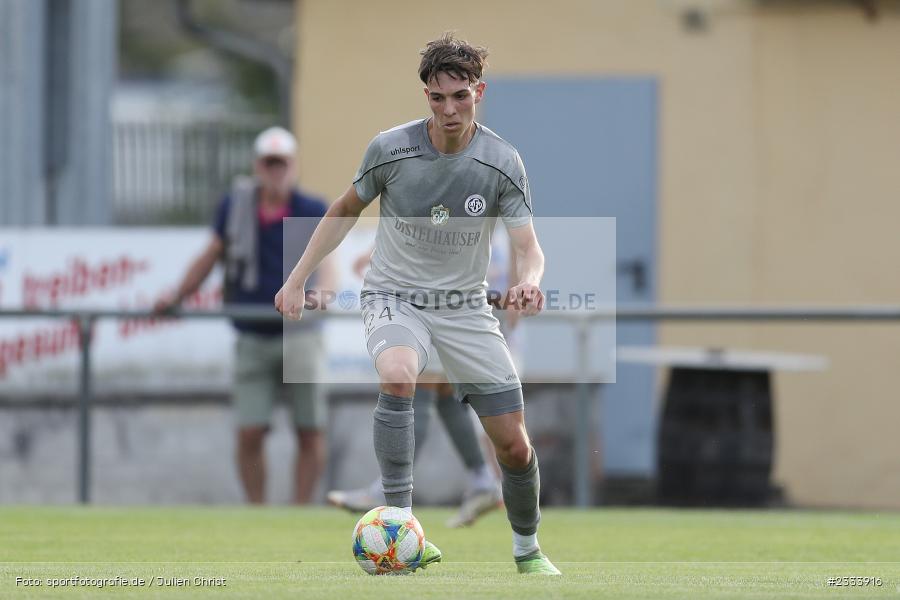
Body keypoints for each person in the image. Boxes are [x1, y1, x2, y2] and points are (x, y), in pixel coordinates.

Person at [275, 34, 560, 574]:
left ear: (480, 91)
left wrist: (531, 280)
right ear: (425, 95)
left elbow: (528, 246)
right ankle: (401, 523)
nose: (448, 109)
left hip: (465, 308)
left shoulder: (501, 161)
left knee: (515, 449)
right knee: (400, 372)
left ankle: (527, 550)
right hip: (394, 295)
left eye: (460, 97)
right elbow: (342, 211)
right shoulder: (390, 148)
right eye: (437, 97)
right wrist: (297, 279)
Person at [156, 126, 336, 505]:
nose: (275, 171)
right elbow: (210, 257)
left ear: (294, 166)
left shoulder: (311, 209)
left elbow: (329, 262)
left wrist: (322, 295)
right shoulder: (236, 208)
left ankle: (300, 511)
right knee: (250, 431)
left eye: (282, 163)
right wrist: (176, 296)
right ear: (258, 166)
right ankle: (259, 511)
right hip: (253, 334)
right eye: (269, 164)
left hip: (299, 334)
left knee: (310, 429)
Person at [326, 243, 507, 528]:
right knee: (444, 392)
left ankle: (388, 489)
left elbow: (425, 223)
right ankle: (482, 478)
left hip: (436, 303)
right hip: (442, 303)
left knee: (419, 389)